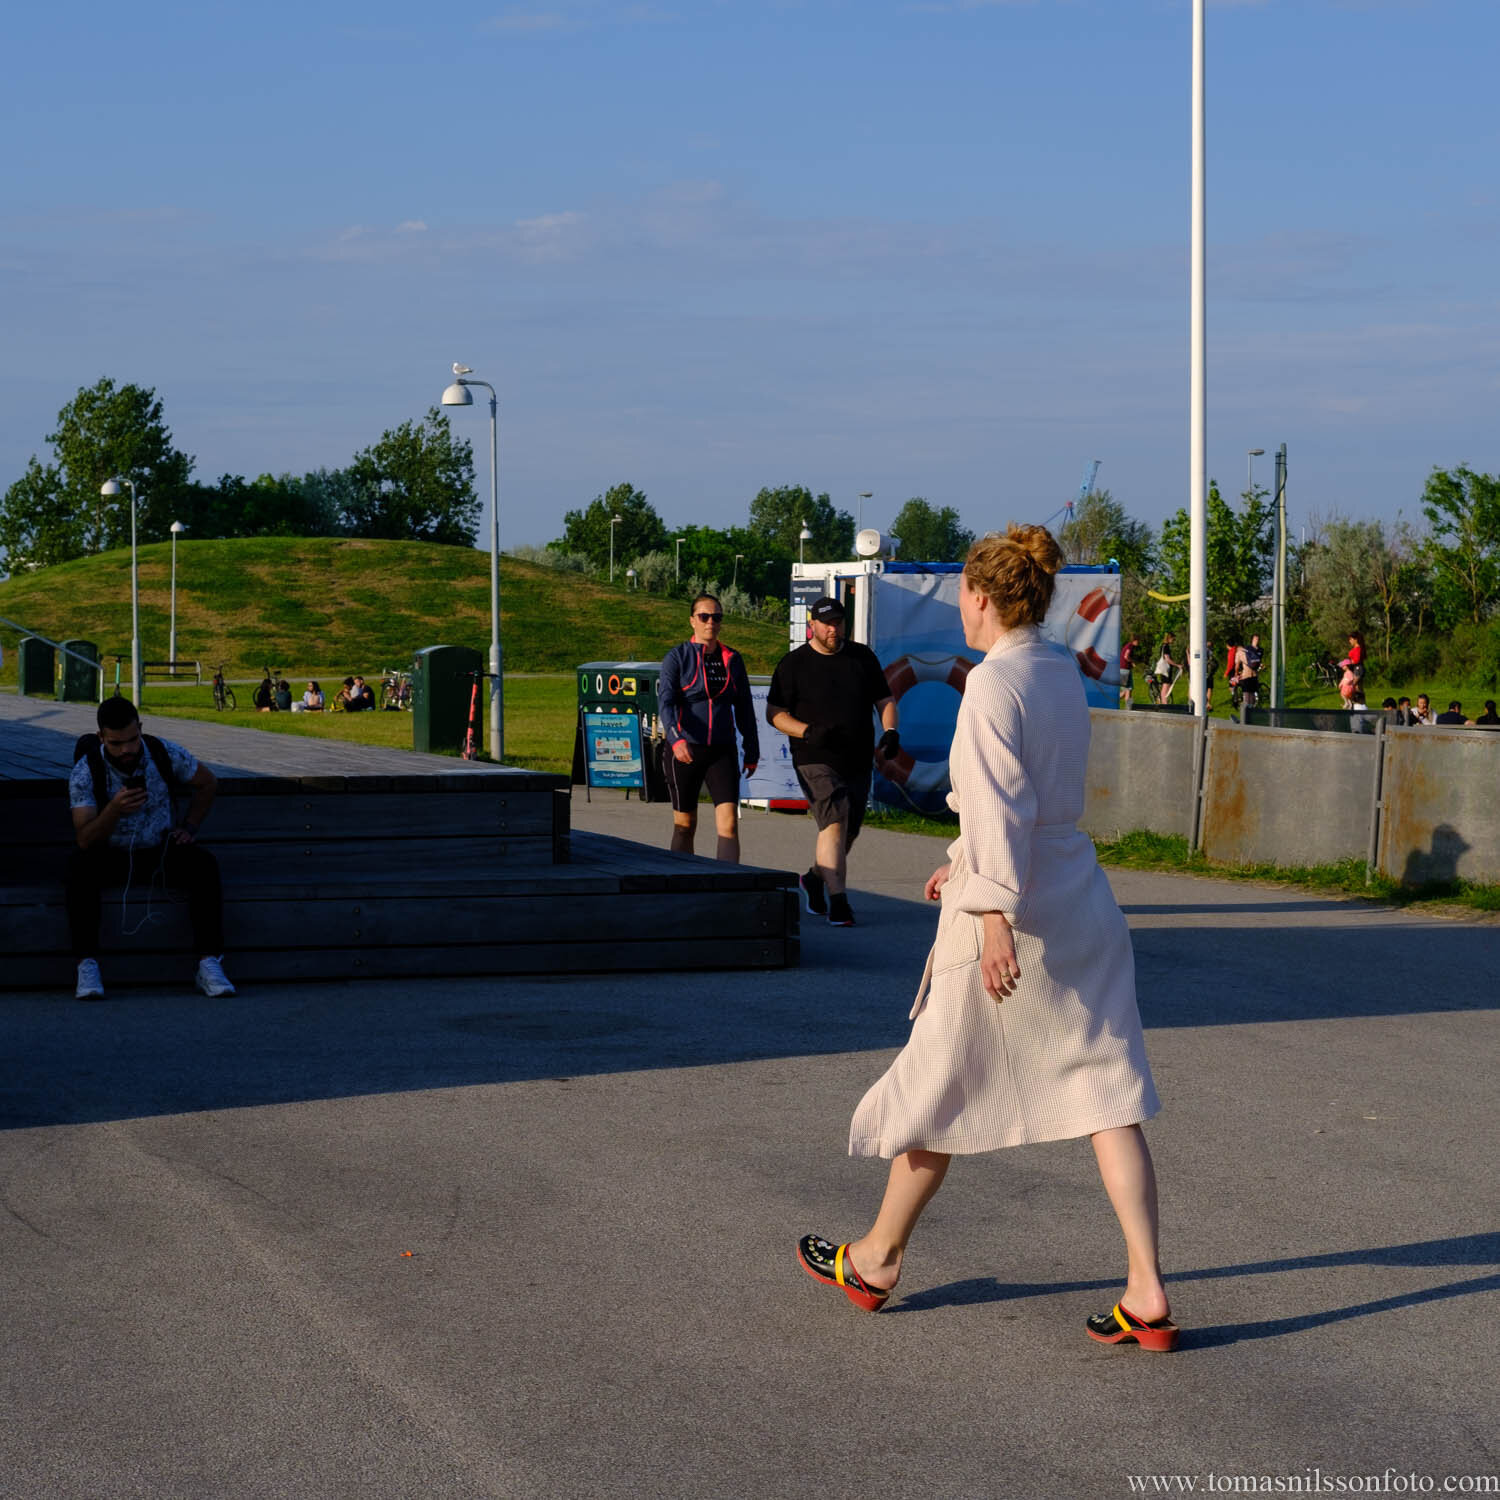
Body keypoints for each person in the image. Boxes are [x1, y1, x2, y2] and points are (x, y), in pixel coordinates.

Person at [794, 525, 1172, 1350]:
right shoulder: (1058, 670)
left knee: (941, 1076)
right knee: (1109, 1095)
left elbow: (1001, 805)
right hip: (1078, 894)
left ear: (985, 599)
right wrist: (960, 860)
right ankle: (1147, 1291)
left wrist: (989, 908)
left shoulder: (994, 686)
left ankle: (878, 1260)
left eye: (965, 595)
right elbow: (1030, 800)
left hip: (1013, 916)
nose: (961, 610)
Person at [66, 696, 235, 1001]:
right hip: (111, 853)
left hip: (159, 848)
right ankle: (86, 964)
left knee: (204, 865)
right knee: (79, 868)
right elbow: (85, 839)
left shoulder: (163, 753)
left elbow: (208, 783)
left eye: (133, 740)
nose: (127, 750)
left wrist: (189, 827)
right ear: (101, 737)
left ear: (141, 728)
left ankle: (209, 962)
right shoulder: (85, 770)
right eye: (116, 743)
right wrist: (114, 810)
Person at [767, 596, 898, 927]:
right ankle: (838, 901)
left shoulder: (861, 657)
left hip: (856, 756)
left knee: (847, 831)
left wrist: (891, 730)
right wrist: (807, 732)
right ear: (812, 625)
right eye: (826, 623)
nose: (832, 629)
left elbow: (884, 698)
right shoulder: (793, 664)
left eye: (838, 622)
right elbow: (775, 714)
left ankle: (813, 878)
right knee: (835, 819)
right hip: (813, 756)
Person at [657, 593, 760, 864]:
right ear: (692, 621)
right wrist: (676, 739)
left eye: (716, 617)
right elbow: (665, 703)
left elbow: (746, 709)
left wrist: (752, 750)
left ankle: (727, 888)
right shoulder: (677, 657)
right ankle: (680, 885)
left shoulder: (733, 659)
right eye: (704, 616)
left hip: (721, 751)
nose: (710, 622)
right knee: (685, 826)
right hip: (685, 749)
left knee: (729, 826)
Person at [1233, 634, 1263, 709]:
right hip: (1255, 675)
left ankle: (1246, 712)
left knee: (1246, 693)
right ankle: (1252, 709)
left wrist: (1236, 674)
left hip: (1246, 675)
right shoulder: (1251, 651)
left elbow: (1236, 666)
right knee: (1252, 693)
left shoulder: (1238, 653)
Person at [1153, 633, 1182, 704]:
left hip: (1165, 670)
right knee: (1165, 687)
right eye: (1173, 639)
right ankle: (1164, 704)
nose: (1173, 641)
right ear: (1169, 638)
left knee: (1167, 686)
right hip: (1166, 670)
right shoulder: (1166, 647)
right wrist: (1177, 665)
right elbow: (1167, 659)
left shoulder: (1163, 645)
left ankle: (1163, 702)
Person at [1338, 632, 1365, 706]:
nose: (1349, 641)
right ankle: (1356, 704)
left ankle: (1360, 705)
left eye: (1350, 639)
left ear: (1355, 639)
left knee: (1356, 688)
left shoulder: (1358, 649)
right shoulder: (1356, 648)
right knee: (1356, 688)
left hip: (1358, 668)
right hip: (1356, 669)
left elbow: (1357, 660)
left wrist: (1349, 662)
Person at [1119, 637, 1139, 707]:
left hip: (1126, 669)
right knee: (1126, 690)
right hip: (1124, 670)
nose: (1138, 643)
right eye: (1138, 641)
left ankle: (1129, 708)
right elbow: (1126, 656)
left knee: (1129, 689)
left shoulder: (1129, 646)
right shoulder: (1130, 646)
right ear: (1134, 640)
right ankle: (1111, 701)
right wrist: (1132, 661)